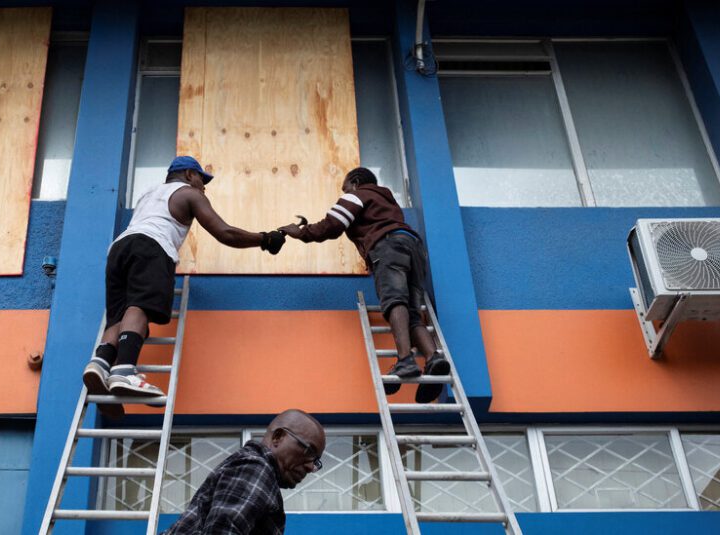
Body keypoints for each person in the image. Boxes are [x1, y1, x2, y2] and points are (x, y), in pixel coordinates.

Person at [83, 156, 286, 401]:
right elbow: (225, 233)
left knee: (119, 315)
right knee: (139, 307)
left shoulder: (148, 195)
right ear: (189, 174)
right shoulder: (189, 193)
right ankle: (124, 370)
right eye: (202, 178)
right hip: (152, 247)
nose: (204, 185)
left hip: (119, 250)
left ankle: (100, 363)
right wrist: (264, 239)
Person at [278, 167, 449, 403]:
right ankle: (433, 359)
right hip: (413, 247)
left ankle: (405, 361)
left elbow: (333, 225)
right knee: (411, 313)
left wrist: (301, 232)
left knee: (394, 301)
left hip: (388, 247)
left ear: (355, 183)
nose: (343, 192)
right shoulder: (386, 199)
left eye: (345, 187)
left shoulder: (357, 195)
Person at [162, 409, 325, 535]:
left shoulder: (257, 470)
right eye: (309, 450)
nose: (311, 467)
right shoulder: (255, 467)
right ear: (278, 437)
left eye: (316, 460)